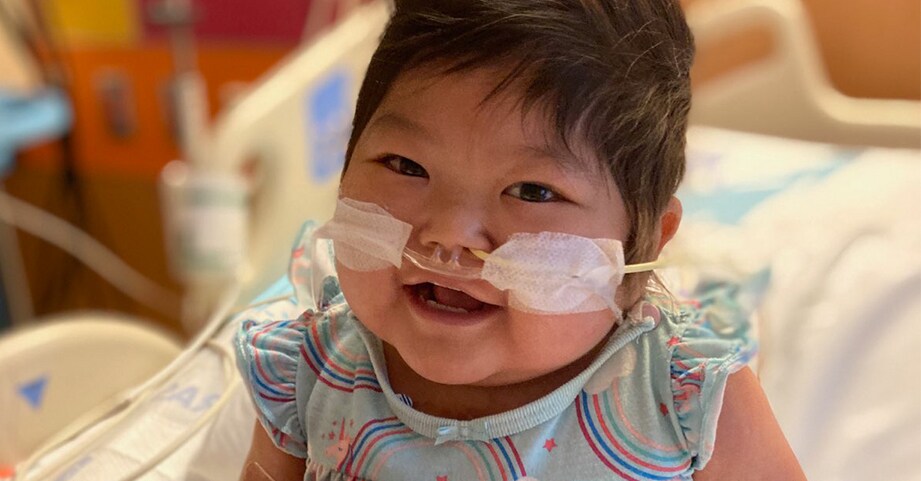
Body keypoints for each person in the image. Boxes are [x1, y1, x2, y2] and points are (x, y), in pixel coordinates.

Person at [234, 0, 806, 479]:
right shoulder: (313, 373)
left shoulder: (686, 404)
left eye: (532, 191)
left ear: (644, 247)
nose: (449, 235)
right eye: (406, 164)